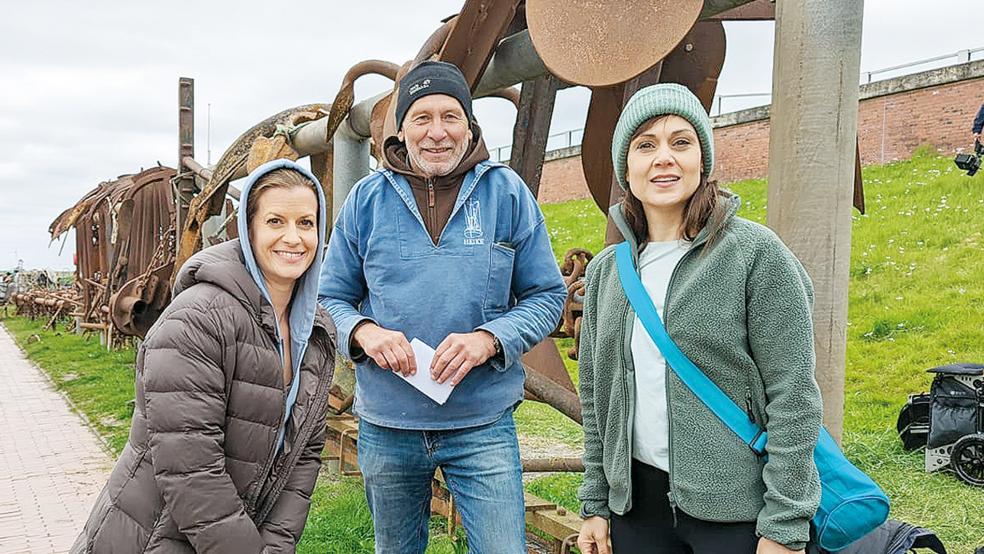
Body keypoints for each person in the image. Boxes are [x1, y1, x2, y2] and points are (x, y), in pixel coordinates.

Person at [319, 60, 566, 553]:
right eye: (422, 117)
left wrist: (490, 339)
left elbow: (548, 295)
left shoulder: (506, 194)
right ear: (401, 128)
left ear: (470, 125)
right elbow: (329, 298)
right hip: (389, 426)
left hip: (482, 422)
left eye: (451, 116)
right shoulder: (366, 200)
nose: (437, 132)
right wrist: (364, 332)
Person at [575, 84, 823, 554]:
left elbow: (794, 397)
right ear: (626, 167)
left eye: (681, 142)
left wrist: (784, 524)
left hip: (735, 511)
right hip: (637, 509)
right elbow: (595, 400)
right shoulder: (607, 272)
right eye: (645, 145)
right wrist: (596, 503)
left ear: (702, 162)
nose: (663, 157)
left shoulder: (756, 255)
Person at [71, 159, 336, 554]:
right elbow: (191, 467)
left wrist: (275, 547)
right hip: (153, 535)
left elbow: (303, 457)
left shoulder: (315, 333)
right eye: (276, 222)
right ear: (248, 231)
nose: (294, 238)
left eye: (306, 223)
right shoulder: (198, 319)